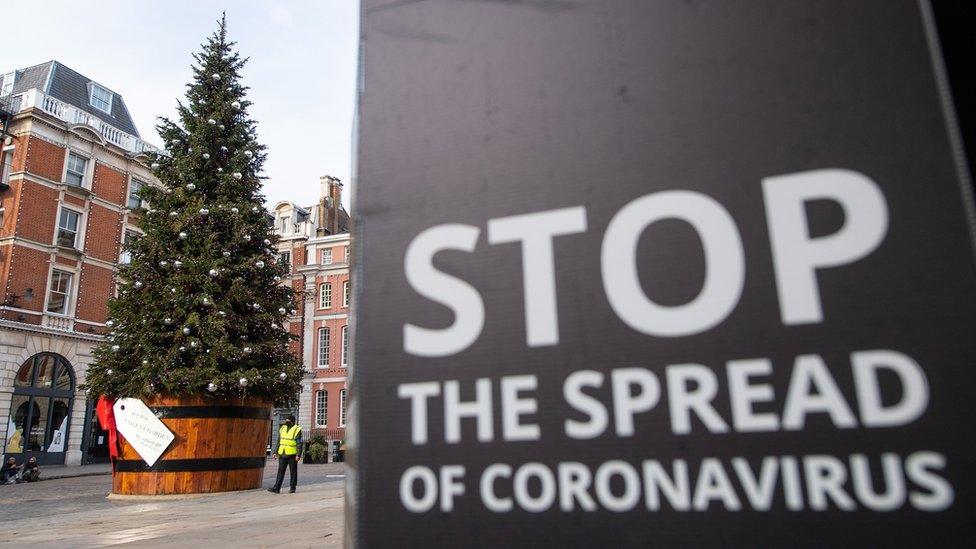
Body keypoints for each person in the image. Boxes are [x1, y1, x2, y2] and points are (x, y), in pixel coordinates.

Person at [268, 414, 302, 494]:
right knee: (280, 471)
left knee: (293, 471)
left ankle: (292, 487)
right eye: (286, 420)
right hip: (282, 453)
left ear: (292, 422)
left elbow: (299, 443)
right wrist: (275, 452)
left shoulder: (297, 429)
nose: (287, 421)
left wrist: (298, 454)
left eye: (288, 420)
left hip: (292, 454)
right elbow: (279, 441)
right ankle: (277, 488)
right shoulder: (282, 428)